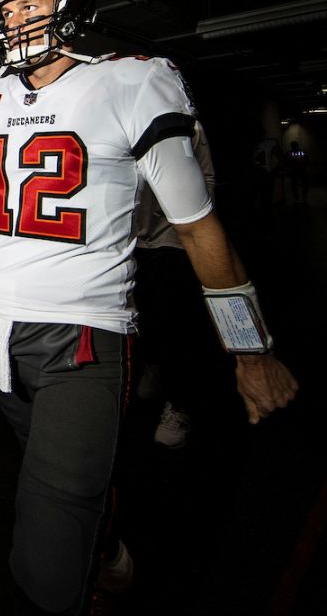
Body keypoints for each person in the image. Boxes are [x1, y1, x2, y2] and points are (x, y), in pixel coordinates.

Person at [0, 0, 299, 615]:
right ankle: (107, 550)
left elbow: (198, 226)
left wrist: (251, 348)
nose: (19, 20)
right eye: (7, 8)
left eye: (32, 1)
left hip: (84, 336)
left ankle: (83, 569)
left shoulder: (132, 81)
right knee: (61, 485)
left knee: (47, 547)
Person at [133, 121, 220, 449]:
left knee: (175, 321)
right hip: (129, 240)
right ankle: (156, 368)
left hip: (172, 238)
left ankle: (179, 403)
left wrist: (192, 228)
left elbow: (206, 176)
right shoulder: (113, 107)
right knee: (140, 317)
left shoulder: (185, 120)